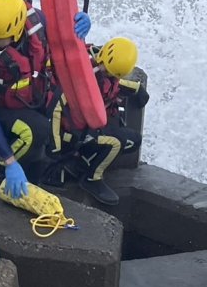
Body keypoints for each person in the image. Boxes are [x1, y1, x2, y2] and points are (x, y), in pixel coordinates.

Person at [0, 0, 92, 200]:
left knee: (69, 116)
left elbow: (63, 39)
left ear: (17, 31)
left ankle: (50, 171)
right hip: (4, 108)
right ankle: (2, 173)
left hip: (35, 95)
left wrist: (78, 26)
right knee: (36, 130)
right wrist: (8, 161)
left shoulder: (37, 20)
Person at [45, 37, 149, 205]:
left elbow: (112, 84)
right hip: (74, 134)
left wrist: (136, 89)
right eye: (105, 69)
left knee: (134, 141)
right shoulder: (81, 77)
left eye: (109, 72)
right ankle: (92, 178)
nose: (103, 70)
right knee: (116, 142)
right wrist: (54, 150)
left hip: (91, 126)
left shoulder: (105, 74)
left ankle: (80, 162)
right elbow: (56, 109)